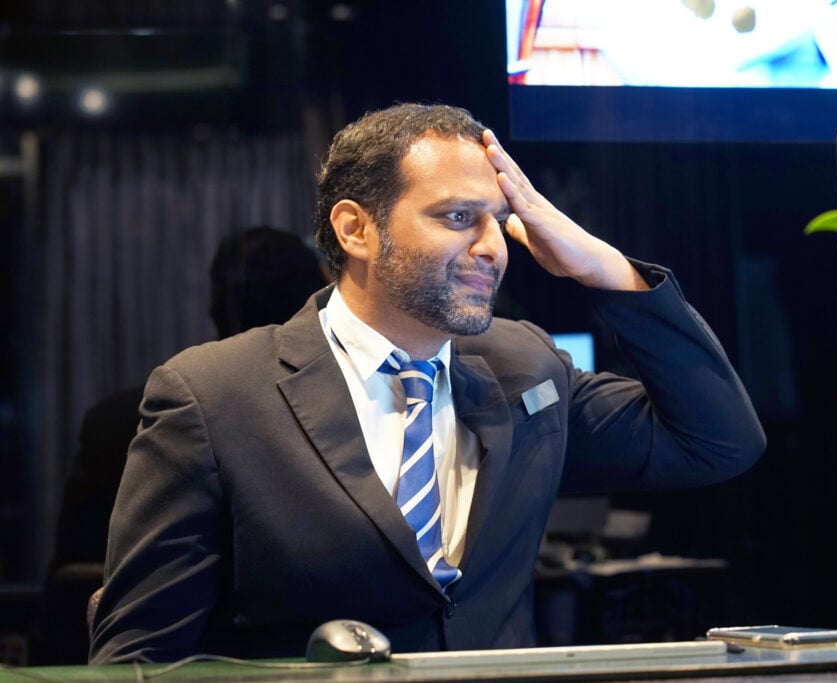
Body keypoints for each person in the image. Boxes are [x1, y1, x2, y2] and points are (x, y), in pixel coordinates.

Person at [88, 103, 765, 664]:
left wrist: (607, 269)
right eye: (457, 217)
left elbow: (717, 441)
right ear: (356, 228)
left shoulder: (527, 367)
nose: (494, 246)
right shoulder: (213, 395)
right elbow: (137, 661)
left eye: (499, 219)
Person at [30, 226, 326, 665]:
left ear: (213, 306)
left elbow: (66, 582)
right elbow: (77, 586)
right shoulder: (346, 417)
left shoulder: (120, 417)